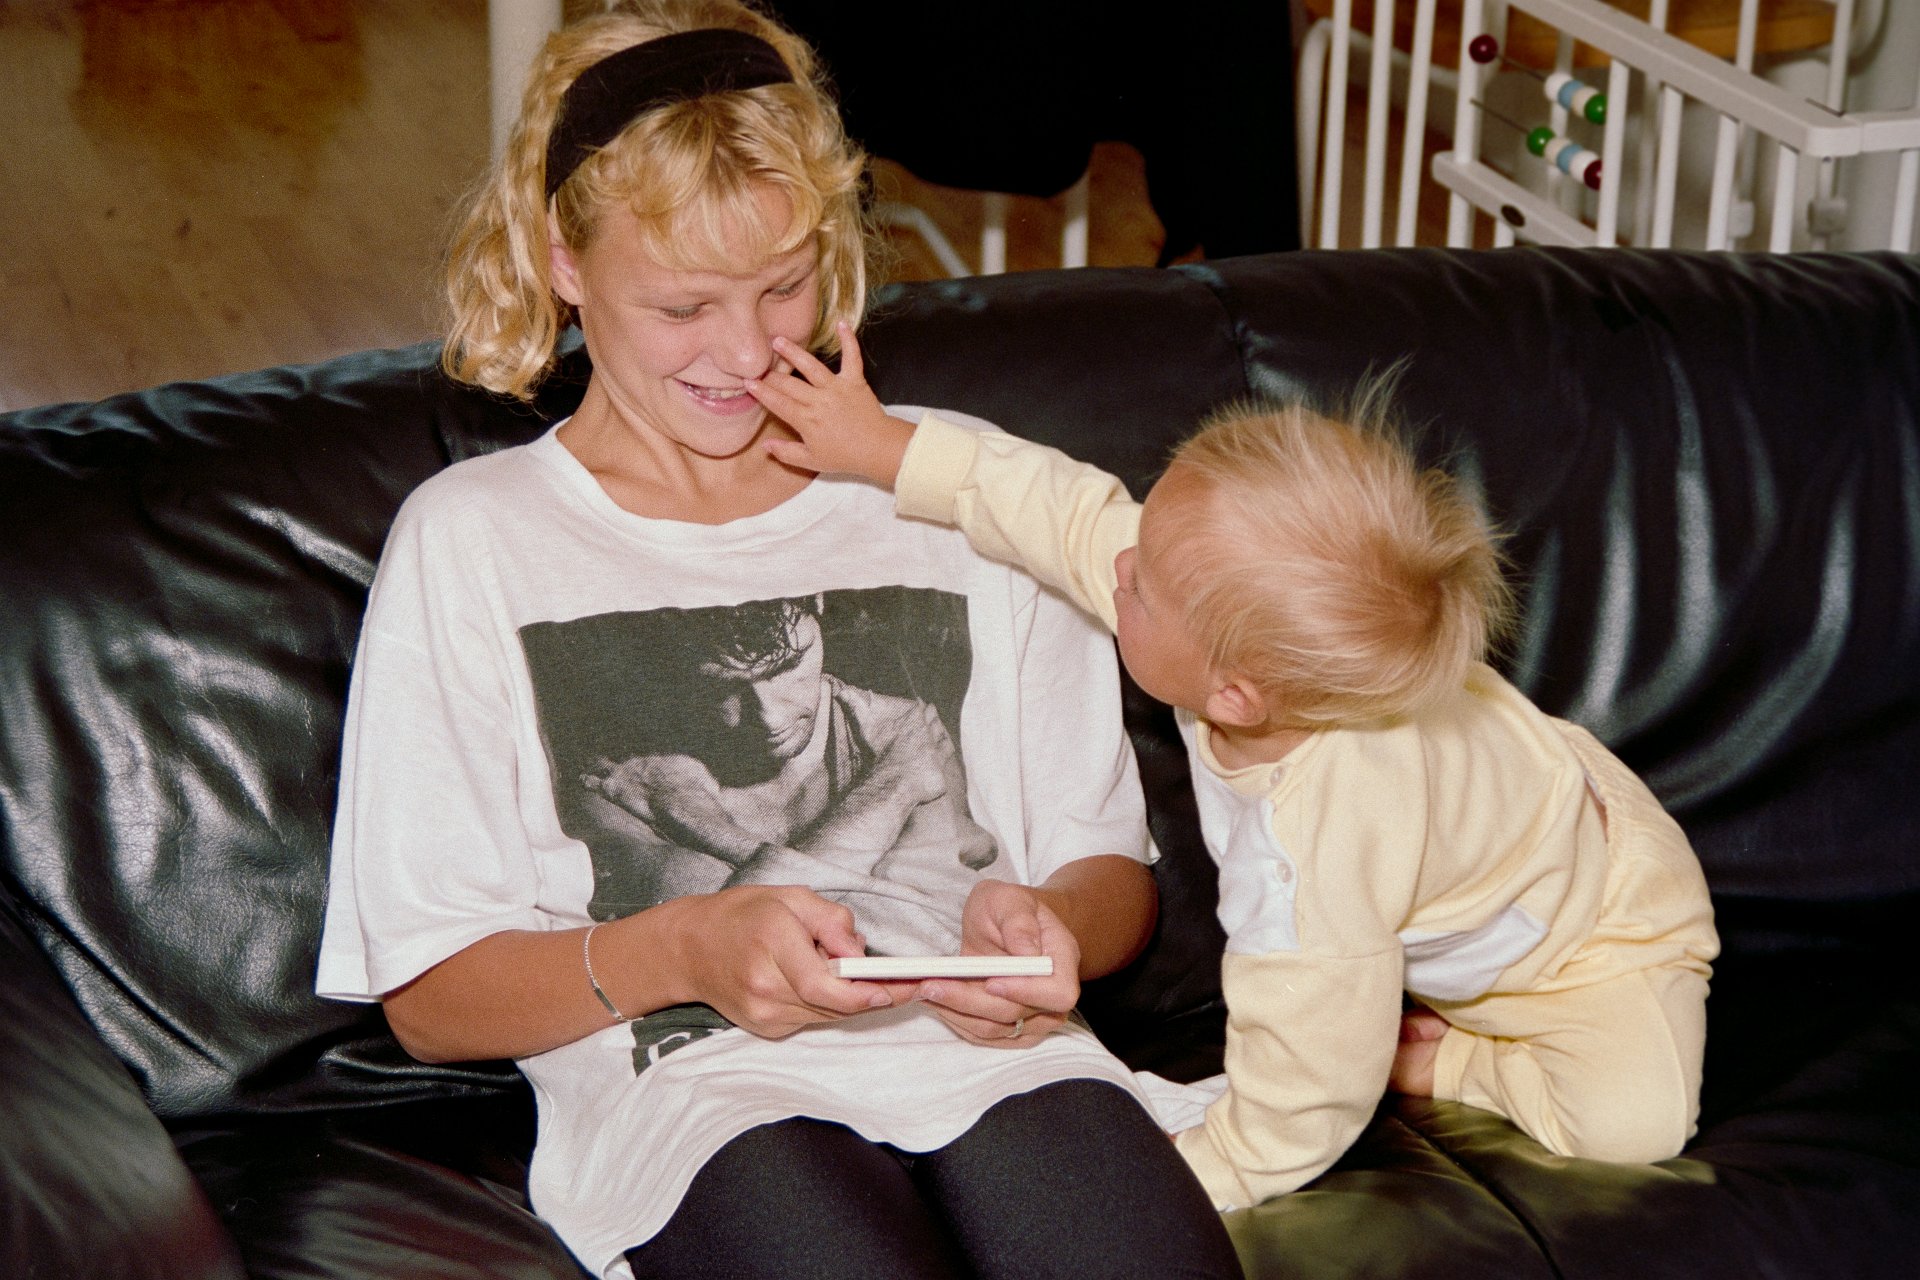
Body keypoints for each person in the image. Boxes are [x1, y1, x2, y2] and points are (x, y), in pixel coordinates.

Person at [313, 3, 1243, 1278]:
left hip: (1007, 1063)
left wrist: (1055, 930)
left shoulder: (956, 490)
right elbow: (429, 999)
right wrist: (683, 946)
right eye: (683, 304)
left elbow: (1109, 873)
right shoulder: (471, 539)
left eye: (783, 286)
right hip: (703, 1102)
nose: (747, 352)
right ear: (564, 263)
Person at [749, 326, 1722, 1212]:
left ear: (1236, 696)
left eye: (1142, 585)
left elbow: (1306, 1079)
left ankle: (1457, 1061)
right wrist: (881, 446)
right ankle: (1413, 1019)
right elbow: (1060, 509)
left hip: (1595, 928)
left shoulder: (1314, 847)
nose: (1117, 566)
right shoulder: (1215, 618)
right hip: (1501, 835)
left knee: (1634, 1124)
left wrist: (1202, 1171)